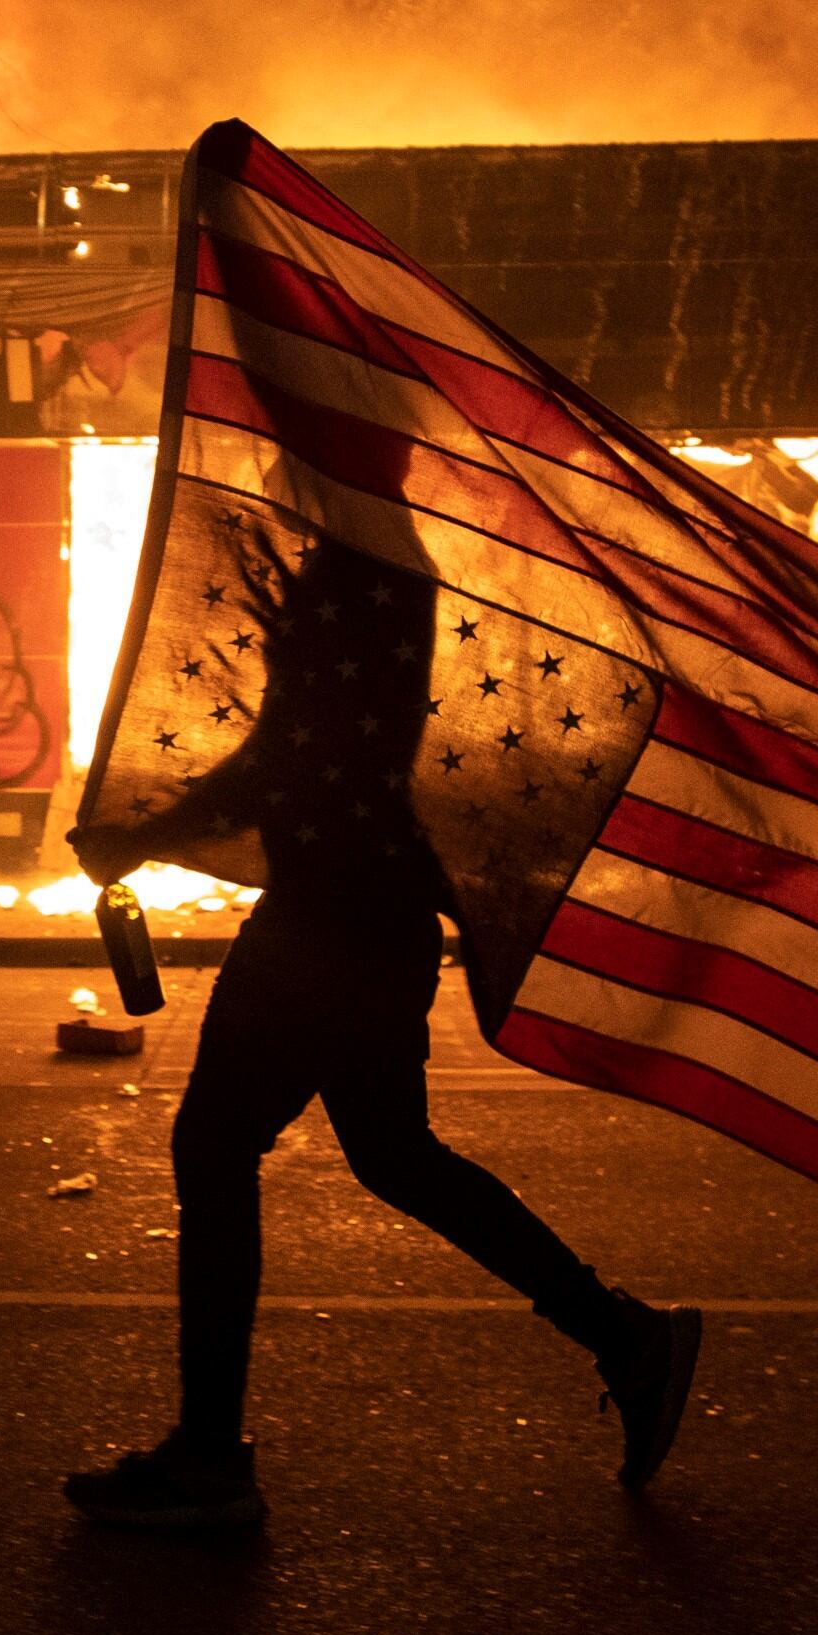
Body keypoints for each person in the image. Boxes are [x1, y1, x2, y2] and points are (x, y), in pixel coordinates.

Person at [62, 537, 705, 1532]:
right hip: (369, 914)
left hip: (330, 922)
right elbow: (299, 751)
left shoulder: (360, 565)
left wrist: (140, 836)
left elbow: (290, 758)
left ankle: (209, 1460)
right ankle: (623, 1337)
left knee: (218, 1145)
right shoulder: (373, 558)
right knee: (394, 1156)